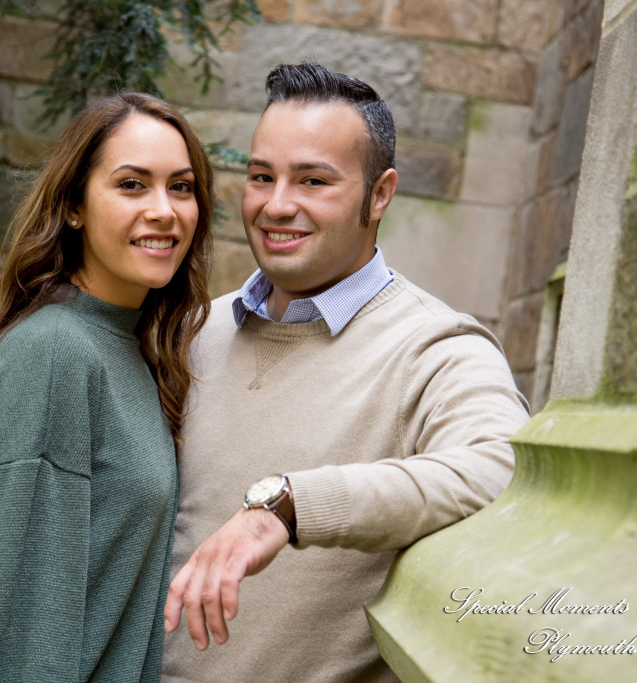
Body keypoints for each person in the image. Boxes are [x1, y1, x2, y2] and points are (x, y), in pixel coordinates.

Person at [161, 63, 531, 681]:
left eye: (313, 180)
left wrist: (289, 506)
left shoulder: (436, 347)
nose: (278, 205)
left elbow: (505, 469)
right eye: (261, 176)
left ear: (379, 194)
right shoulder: (193, 330)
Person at [0, 92, 214, 682]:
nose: (165, 210)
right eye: (132, 185)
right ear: (74, 205)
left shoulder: (130, 353)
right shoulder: (55, 356)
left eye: (181, 187)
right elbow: (4, 633)